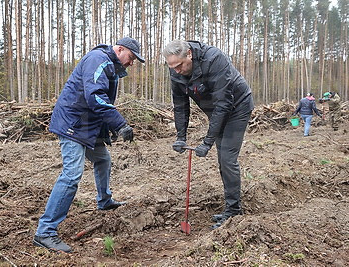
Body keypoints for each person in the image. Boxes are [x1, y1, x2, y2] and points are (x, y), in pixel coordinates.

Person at [33, 37, 145, 253]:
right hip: (73, 123)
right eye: (131, 58)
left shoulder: (111, 65)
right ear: (120, 49)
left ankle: (104, 200)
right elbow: (95, 97)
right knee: (72, 174)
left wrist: (109, 129)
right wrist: (120, 124)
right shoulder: (98, 59)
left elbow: (101, 103)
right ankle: (45, 232)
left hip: (87, 125)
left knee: (103, 159)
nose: (131, 63)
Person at [163, 40, 254, 230]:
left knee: (227, 158)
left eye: (179, 66)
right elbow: (180, 105)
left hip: (237, 107)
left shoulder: (214, 59)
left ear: (189, 54)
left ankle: (234, 210)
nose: (176, 71)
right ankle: (231, 207)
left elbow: (223, 103)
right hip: (216, 110)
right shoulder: (176, 70)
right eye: (172, 67)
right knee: (223, 158)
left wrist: (207, 141)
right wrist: (181, 136)